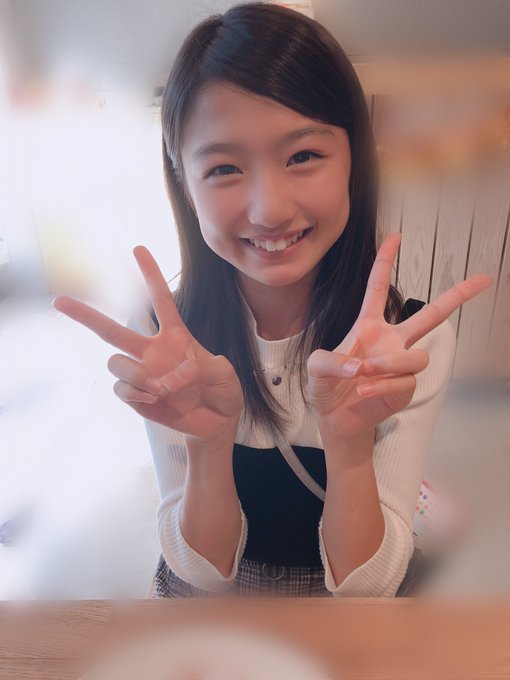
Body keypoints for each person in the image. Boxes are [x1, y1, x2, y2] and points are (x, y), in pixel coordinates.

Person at [52, 2, 492, 598]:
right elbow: (200, 574)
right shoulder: (167, 336)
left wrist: (350, 450)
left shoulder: (410, 342)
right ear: (183, 182)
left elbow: (368, 588)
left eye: (303, 156)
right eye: (224, 168)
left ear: (354, 162)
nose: (270, 210)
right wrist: (208, 448)